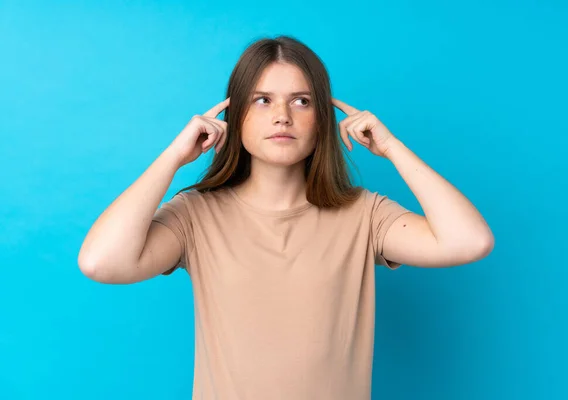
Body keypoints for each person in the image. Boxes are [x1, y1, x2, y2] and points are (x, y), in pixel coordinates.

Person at [78, 35, 494, 399]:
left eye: (301, 101)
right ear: (235, 115)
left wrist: (391, 147)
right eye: (263, 100)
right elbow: (101, 262)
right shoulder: (195, 215)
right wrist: (173, 157)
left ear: (322, 121)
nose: (283, 116)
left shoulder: (364, 215)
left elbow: (469, 241)